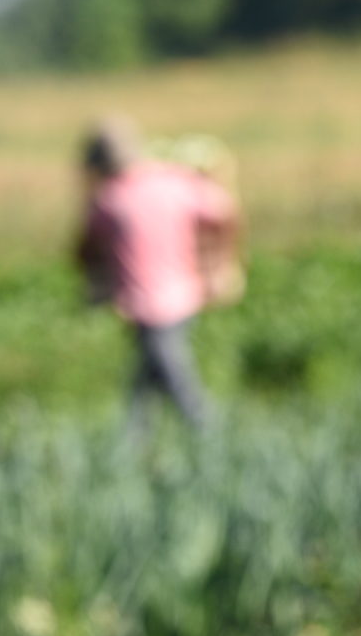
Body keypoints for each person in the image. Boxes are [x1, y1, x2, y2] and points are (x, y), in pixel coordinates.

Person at [75, 117, 242, 433]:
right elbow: (224, 212)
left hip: (145, 301)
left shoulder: (108, 199)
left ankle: (208, 431)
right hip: (184, 292)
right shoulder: (174, 180)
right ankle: (136, 437)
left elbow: (85, 250)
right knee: (150, 372)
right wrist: (221, 264)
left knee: (173, 373)